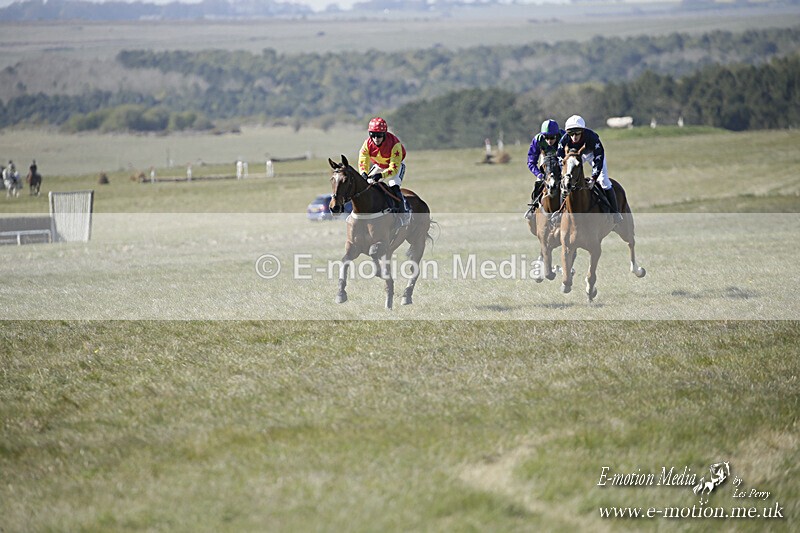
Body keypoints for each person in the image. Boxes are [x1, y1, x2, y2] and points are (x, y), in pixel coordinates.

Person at [557, 115, 623, 224]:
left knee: (604, 181)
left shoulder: (592, 137)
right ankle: (560, 214)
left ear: (582, 131)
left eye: (577, 133)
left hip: (593, 155)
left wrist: (593, 178)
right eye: (571, 134)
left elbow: (599, 158)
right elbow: (560, 157)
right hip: (575, 157)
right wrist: (565, 173)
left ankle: (615, 213)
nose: (574, 137)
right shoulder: (564, 139)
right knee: (565, 183)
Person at [357, 117, 410, 226]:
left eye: (379, 135)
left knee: (394, 185)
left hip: (396, 166)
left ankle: (403, 215)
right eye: (373, 135)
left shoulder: (394, 144)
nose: (376, 138)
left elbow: (393, 169)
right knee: (366, 185)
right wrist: (363, 173)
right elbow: (363, 160)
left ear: (385, 134)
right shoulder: (367, 144)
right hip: (379, 165)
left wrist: (381, 175)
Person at [525, 119, 565, 219]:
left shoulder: (564, 137)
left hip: (561, 160)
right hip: (545, 159)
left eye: (552, 137)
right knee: (538, 182)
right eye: (546, 137)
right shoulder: (537, 140)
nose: (549, 141)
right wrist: (539, 174)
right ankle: (533, 207)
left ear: (557, 134)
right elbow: (531, 162)